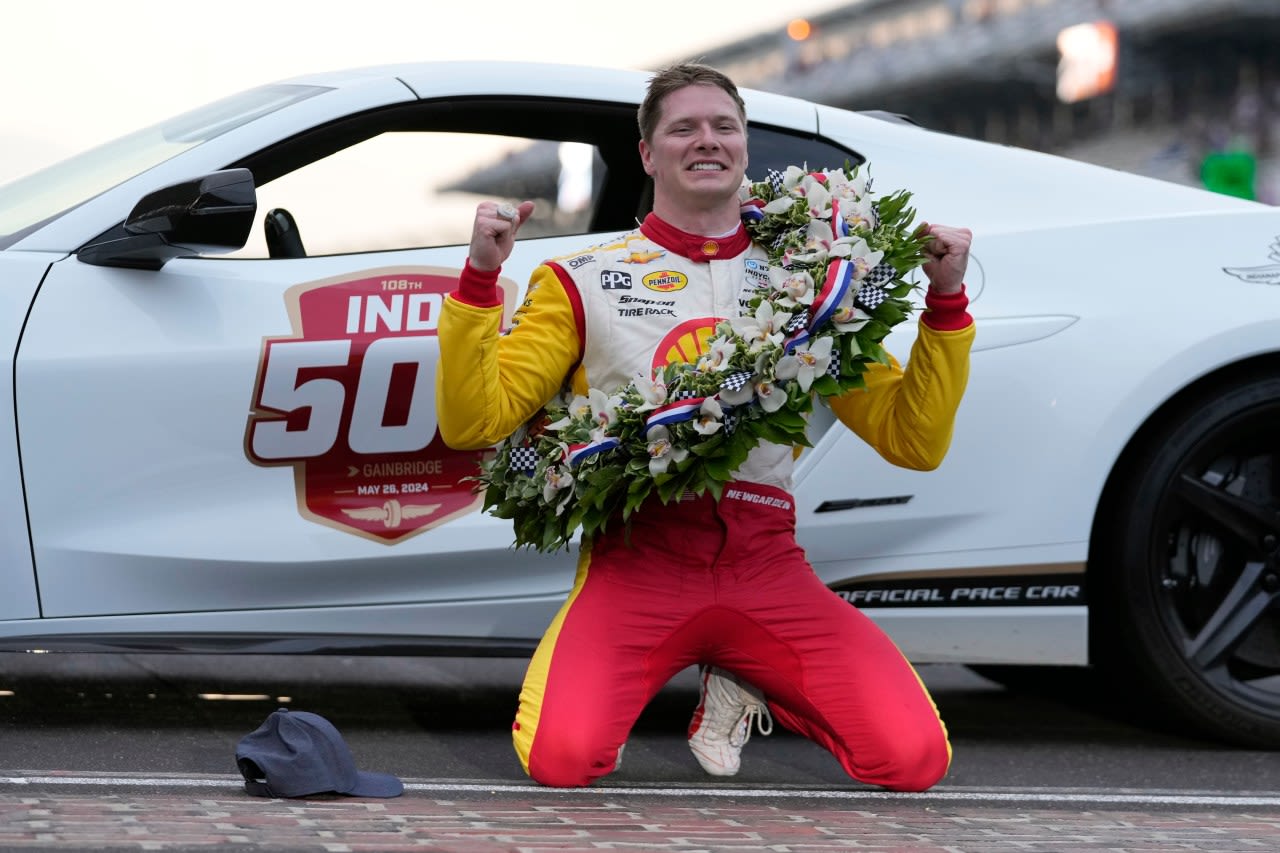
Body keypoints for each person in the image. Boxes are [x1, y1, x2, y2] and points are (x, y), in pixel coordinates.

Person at [435, 63, 975, 791]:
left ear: (746, 146)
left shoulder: (815, 283)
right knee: (563, 761)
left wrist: (945, 306)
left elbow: (914, 441)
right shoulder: (582, 278)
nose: (707, 140)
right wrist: (478, 281)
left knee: (913, 760)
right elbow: (475, 420)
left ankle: (746, 679)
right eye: (683, 128)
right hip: (640, 560)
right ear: (648, 155)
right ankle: (729, 671)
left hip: (766, 564)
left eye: (724, 126)